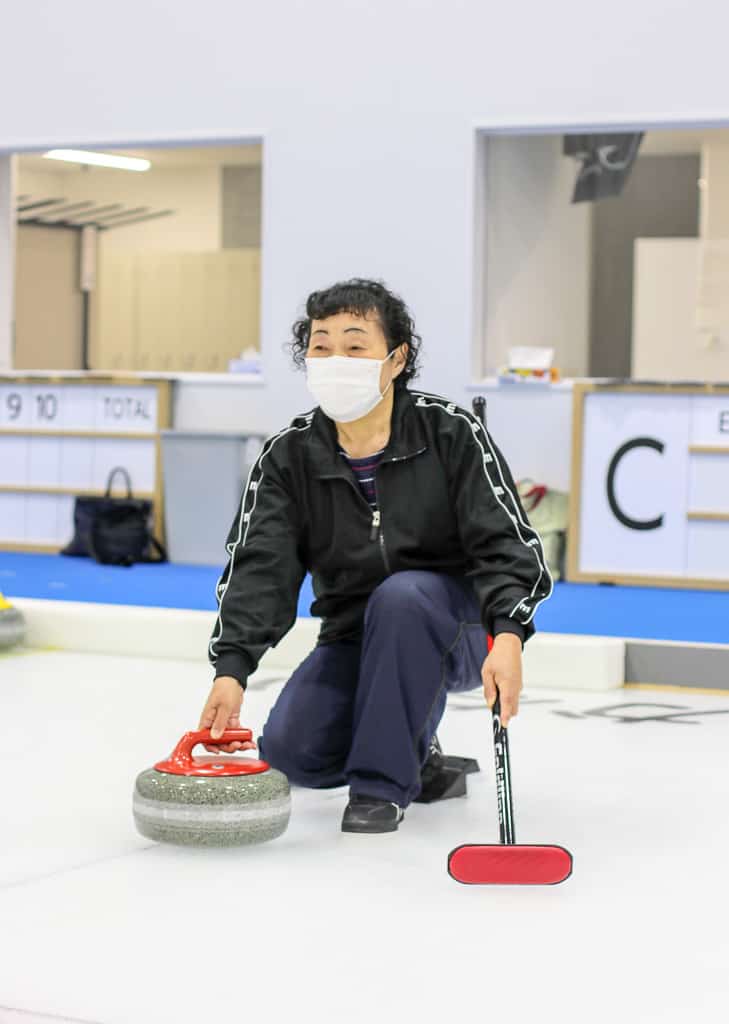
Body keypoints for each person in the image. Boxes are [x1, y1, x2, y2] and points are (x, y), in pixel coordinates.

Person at [198, 278, 552, 834]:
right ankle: (415, 744)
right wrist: (232, 670)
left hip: (452, 629)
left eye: (355, 344)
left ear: (396, 359)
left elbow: (504, 543)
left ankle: (381, 786)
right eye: (321, 344)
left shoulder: (450, 433)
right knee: (296, 754)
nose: (336, 357)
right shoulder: (288, 457)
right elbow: (260, 568)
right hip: (354, 634)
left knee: (405, 595)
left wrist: (507, 633)